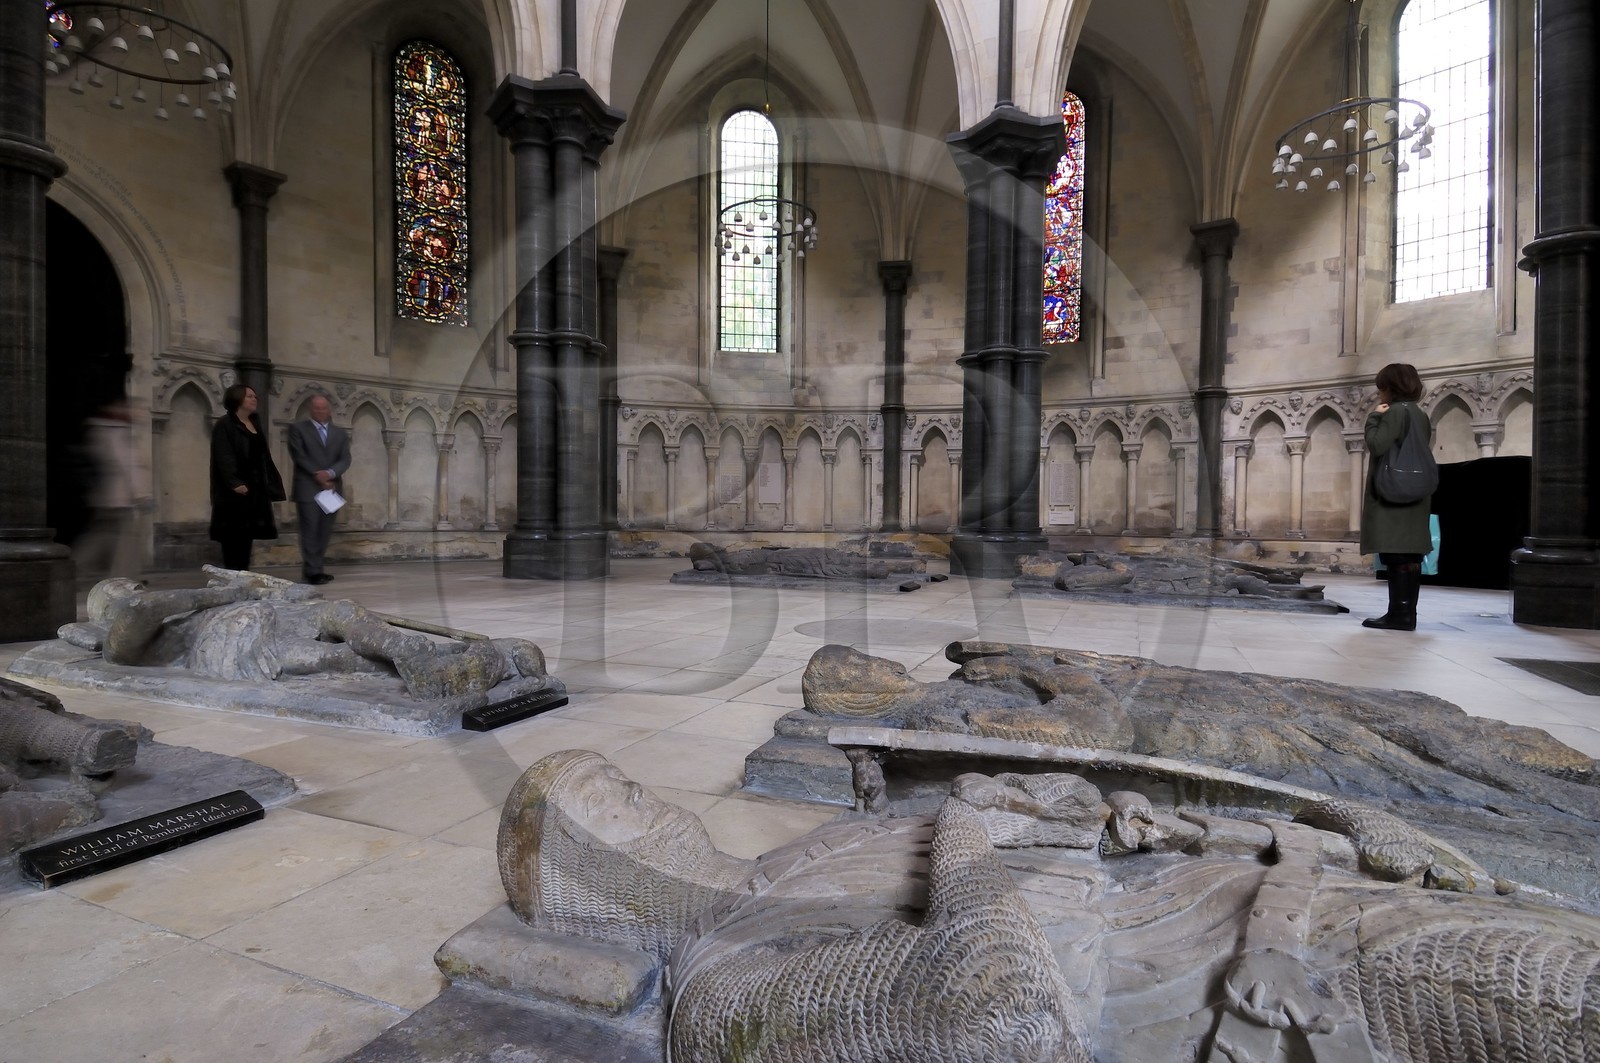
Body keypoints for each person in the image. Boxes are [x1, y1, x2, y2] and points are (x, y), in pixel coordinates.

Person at [1360, 362, 1434, 631]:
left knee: (1396, 554)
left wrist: (1374, 418)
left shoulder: (1395, 412)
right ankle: (1406, 613)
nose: (1380, 394)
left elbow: (1377, 445)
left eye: (1382, 388)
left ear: (1392, 388)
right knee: (1409, 556)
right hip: (1415, 492)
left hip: (1394, 492)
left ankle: (1399, 615)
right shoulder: (1419, 413)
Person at [209, 384, 285, 571]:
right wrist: (235, 482)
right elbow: (223, 456)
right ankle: (233, 577)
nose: (254, 398)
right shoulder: (225, 424)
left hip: (254, 489)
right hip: (234, 493)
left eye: (255, 395)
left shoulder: (254, 423)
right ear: (237, 399)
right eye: (249, 396)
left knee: (247, 536)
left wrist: (271, 484)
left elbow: (262, 456)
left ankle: (243, 574)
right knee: (233, 537)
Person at [75, 397, 152, 582]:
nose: (141, 413)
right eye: (139, 408)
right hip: (120, 497)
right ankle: (124, 580)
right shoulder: (117, 431)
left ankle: (73, 569)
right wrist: (141, 494)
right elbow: (127, 464)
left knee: (100, 538)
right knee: (128, 541)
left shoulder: (100, 429)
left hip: (105, 497)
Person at [286, 394, 351, 585]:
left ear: (329, 410)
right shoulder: (298, 429)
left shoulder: (340, 433)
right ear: (310, 410)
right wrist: (317, 474)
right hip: (308, 488)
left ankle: (316, 568)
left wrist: (330, 473)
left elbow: (345, 459)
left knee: (324, 531)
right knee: (309, 530)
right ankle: (312, 571)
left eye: (323, 408)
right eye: (316, 408)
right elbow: (298, 455)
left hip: (331, 489)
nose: (320, 411)